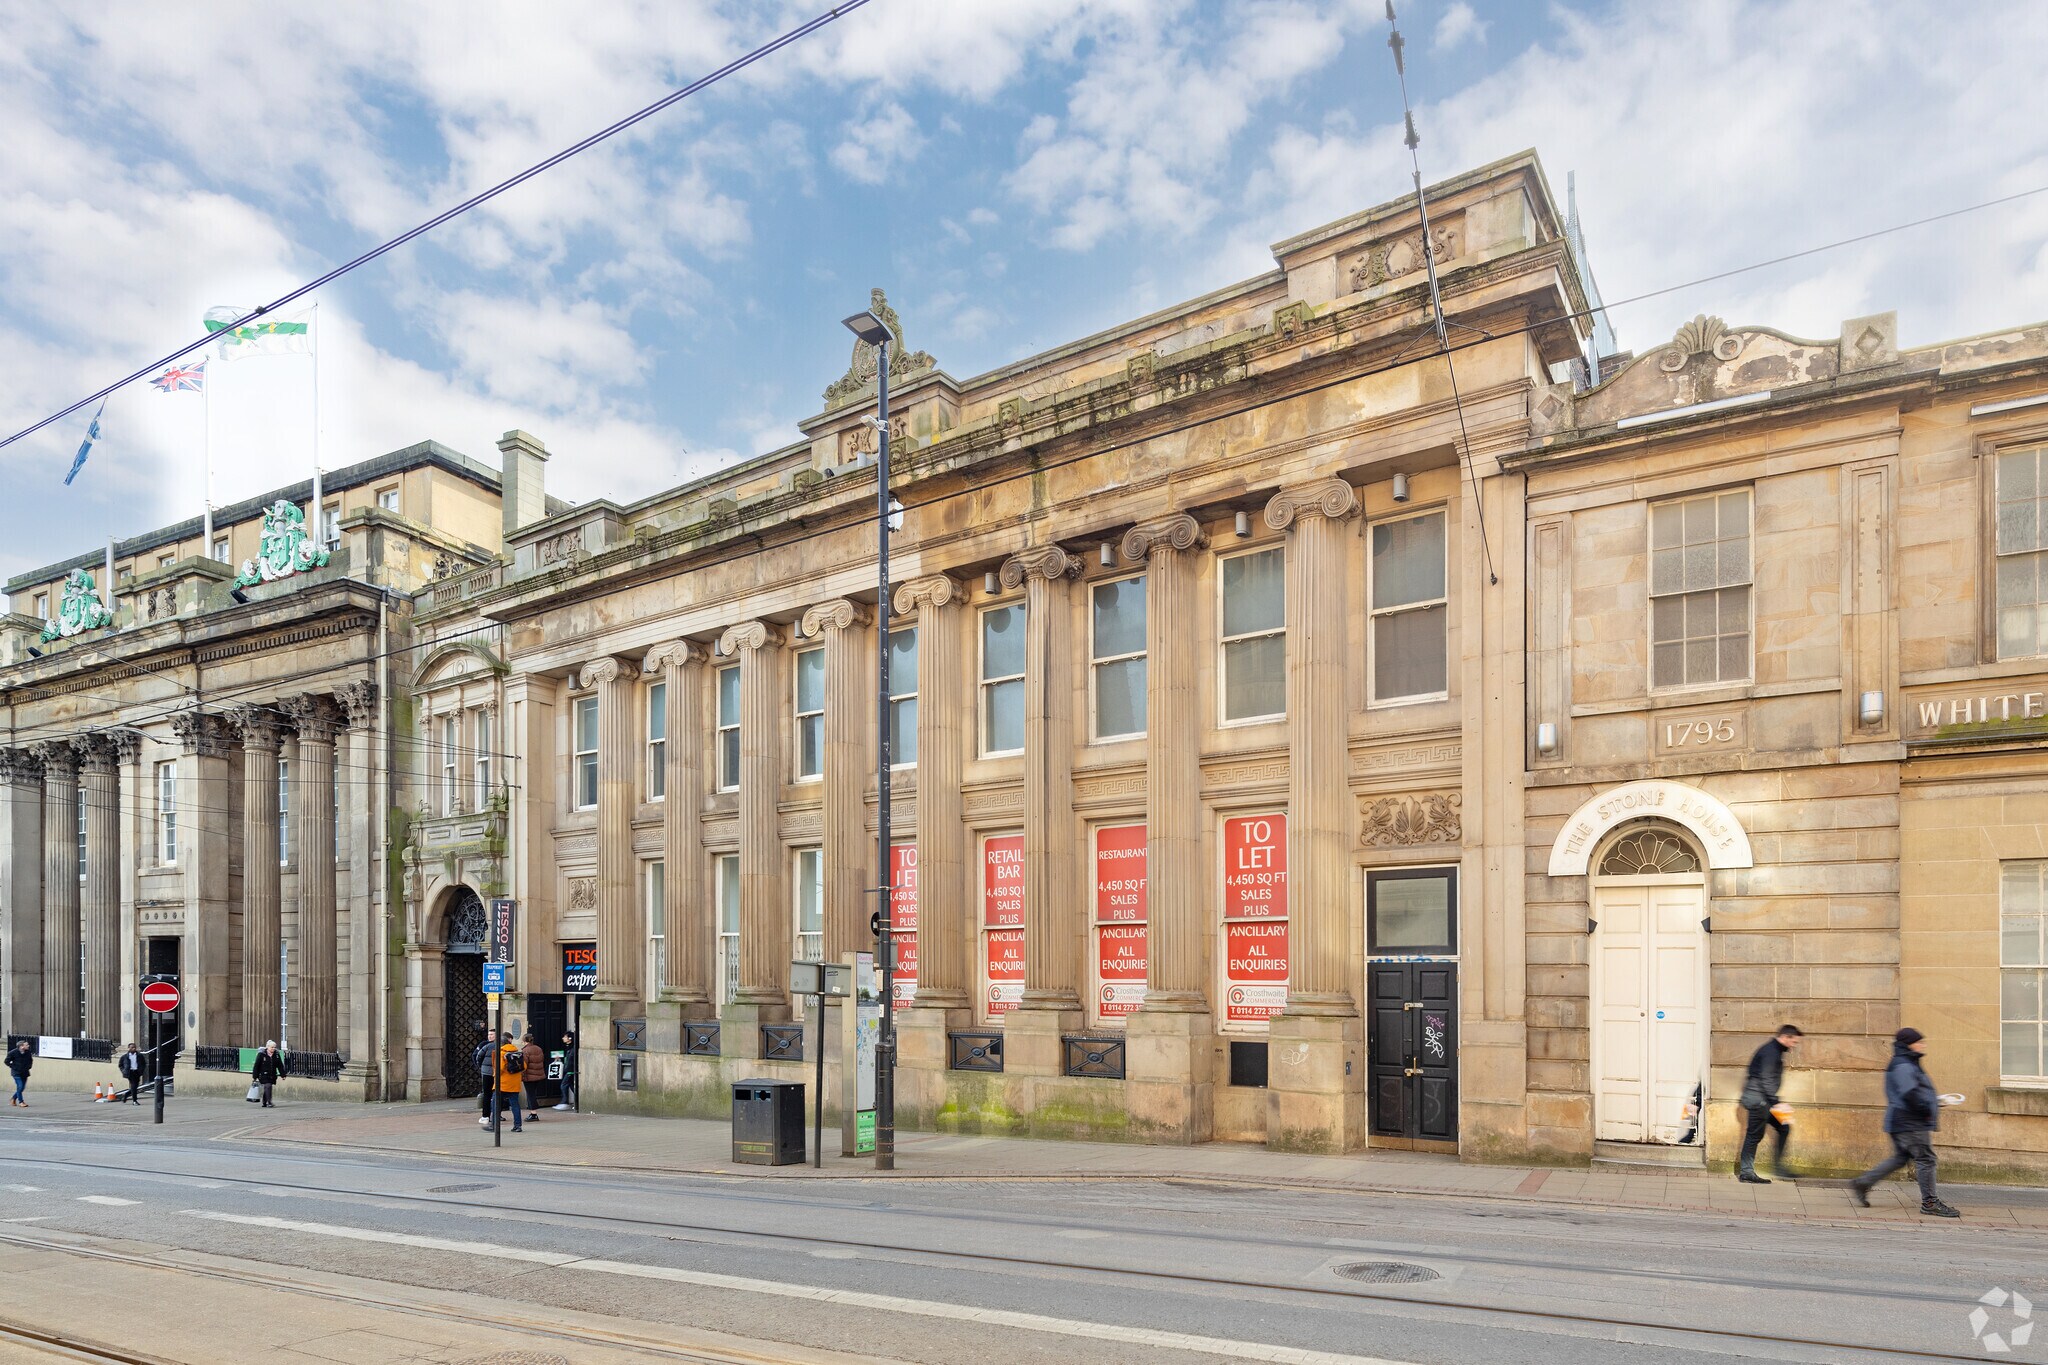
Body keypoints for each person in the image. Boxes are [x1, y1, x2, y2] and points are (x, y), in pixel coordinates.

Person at [1850, 1027, 1961, 1218]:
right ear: (1908, 1044)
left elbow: (1913, 1091)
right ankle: (1930, 1202)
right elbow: (1909, 1093)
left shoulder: (1906, 1061)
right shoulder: (1903, 1064)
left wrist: (1935, 1101)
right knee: (1926, 1159)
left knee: (1900, 1158)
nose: (1922, 1045)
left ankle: (1863, 1182)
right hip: (1910, 1121)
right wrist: (1927, 1107)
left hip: (1901, 1120)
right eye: (1919, 1042)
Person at [1737, 1024, 1802, 1183]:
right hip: (1759, 1100)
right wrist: (1776, 1103)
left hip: (1764, 1099)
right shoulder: (1771, 1052)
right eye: (1793, 1042)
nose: (1794, 1046)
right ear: (1786, 1037)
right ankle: (1746, 1172)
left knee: (1783, 1127)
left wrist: (1776, 1102)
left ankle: (1779, 1168)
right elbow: (1766, 1079)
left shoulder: (1774, 1050)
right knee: (1754, 1135)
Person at [490, 1031, 526, 1133]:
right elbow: (524, 1067)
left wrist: (494, 1075)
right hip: (514, 1084)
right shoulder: (516, 1052)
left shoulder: (501, 1053)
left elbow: (499, 1069)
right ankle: (517, 1126)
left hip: (502, 1084)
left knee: (495, 1104)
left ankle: (493, 1125)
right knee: (515, 1105)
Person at [251, 1041, 287, 1108]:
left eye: (274, 1047)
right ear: (267, 1047)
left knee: (267, 1087)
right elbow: (256, 1065)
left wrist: (283, 1075)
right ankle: (269, 1102)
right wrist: (255, 1076)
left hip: (272, 1074)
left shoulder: (276, 1054)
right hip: (263, 1074)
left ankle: (264, 1102)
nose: (273, 1048)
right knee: (268, 1086)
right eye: (272, 1047)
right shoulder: (261, 1054)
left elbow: (280, 1065)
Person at [520, 1032, 546, 1121]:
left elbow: (524, 1065)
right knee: (533, 1093)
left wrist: (521, 1075)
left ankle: (533, 1113)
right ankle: (533, 1112)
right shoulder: (538, 1049)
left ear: (524, 1041)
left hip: (529, 1076)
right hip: (538, 1075)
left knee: (530, 1094)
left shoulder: (525, 1051)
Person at [554, 1031, 577, 1111]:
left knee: (563, 1085)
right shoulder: (569, 1048)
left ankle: (565, 1102)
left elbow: (571, 1061)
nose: (563, 1038)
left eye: (565, 1037)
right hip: (569, 1070)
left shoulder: (573, 1049)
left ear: (570, 1038)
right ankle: (578, 1101)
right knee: (572, 1086)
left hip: (570, 1070)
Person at [6, 1041, 32, 1107]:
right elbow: (6, 1061)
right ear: (21, 1046)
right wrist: (13, 1067)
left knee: (22, 1088)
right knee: (20, 1086)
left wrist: (29, 1066)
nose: (28, 1046)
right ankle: (21, 1102)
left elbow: (30, 1060)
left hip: (25, 1072)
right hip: (16, 1073)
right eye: (26, 1045)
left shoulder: (28, 1052)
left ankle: (13, 1098)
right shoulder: (13, 1053)